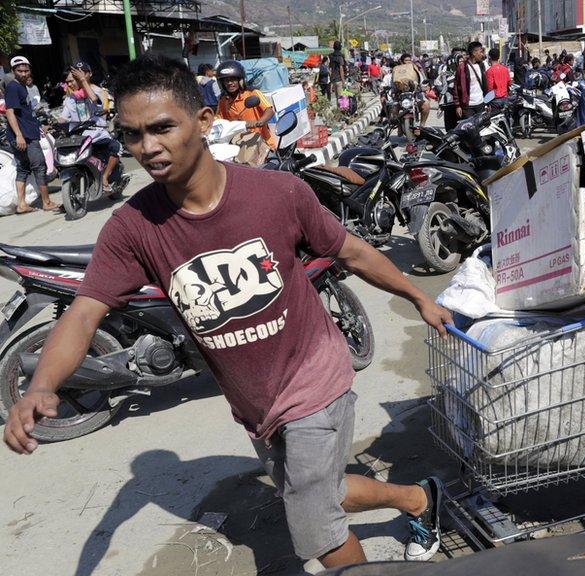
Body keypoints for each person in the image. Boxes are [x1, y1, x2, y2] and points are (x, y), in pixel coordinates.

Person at [2, 53, 454, 569]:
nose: (147, 148)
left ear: (204, 121)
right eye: (131, 135)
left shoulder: (277, 193)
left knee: (317, 533)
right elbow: (83, 313)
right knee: (313, 494)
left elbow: (351, 251)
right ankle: (420, 498)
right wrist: (42, 385)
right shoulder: (133, 227)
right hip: (253, 400)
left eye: (162, 128)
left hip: (315, 380)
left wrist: (420, 297)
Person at [3, 56, 57, 213]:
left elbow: (25, 112)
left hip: (26, 133)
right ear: (13, 71)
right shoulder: (13, 87)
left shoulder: (21, 87)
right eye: (19, 71)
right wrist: (19, 135)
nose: (23, 73)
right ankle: (46, 202)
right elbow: (10, 112)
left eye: (26, 70)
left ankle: (21, 204)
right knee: (39, 166)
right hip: (24, 136)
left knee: (23, 168)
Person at [59, 63, 122, 194]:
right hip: (77, 136)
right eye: (68, 81)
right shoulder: (70, 98)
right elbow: (63, 117)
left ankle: (104, 177)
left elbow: (95, 100)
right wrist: (54, 123)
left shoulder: (99, 91)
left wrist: (82, 81)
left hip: (96, 133)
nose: (70, 84)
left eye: (73, 80)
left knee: (116, 147)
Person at [215, 59, 277, 150]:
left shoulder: (252, 93)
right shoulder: (223, 100)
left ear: (240, 80)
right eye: (226, 81)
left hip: (263, 144)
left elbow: (269, 110)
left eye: (233, 79)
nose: (229, 83)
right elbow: (219, 119)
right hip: (239, 145)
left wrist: (260, 122)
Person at [453, 41, 488, 119]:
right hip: (468, 107)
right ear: (474, 53)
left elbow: (485, 85)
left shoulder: (481, 65)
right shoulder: (462, 68)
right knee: (469, 129)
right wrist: (457, 105)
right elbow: (456, 87)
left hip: (481, 104)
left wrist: (487, 103)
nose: (482, 54)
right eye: (480, 51)